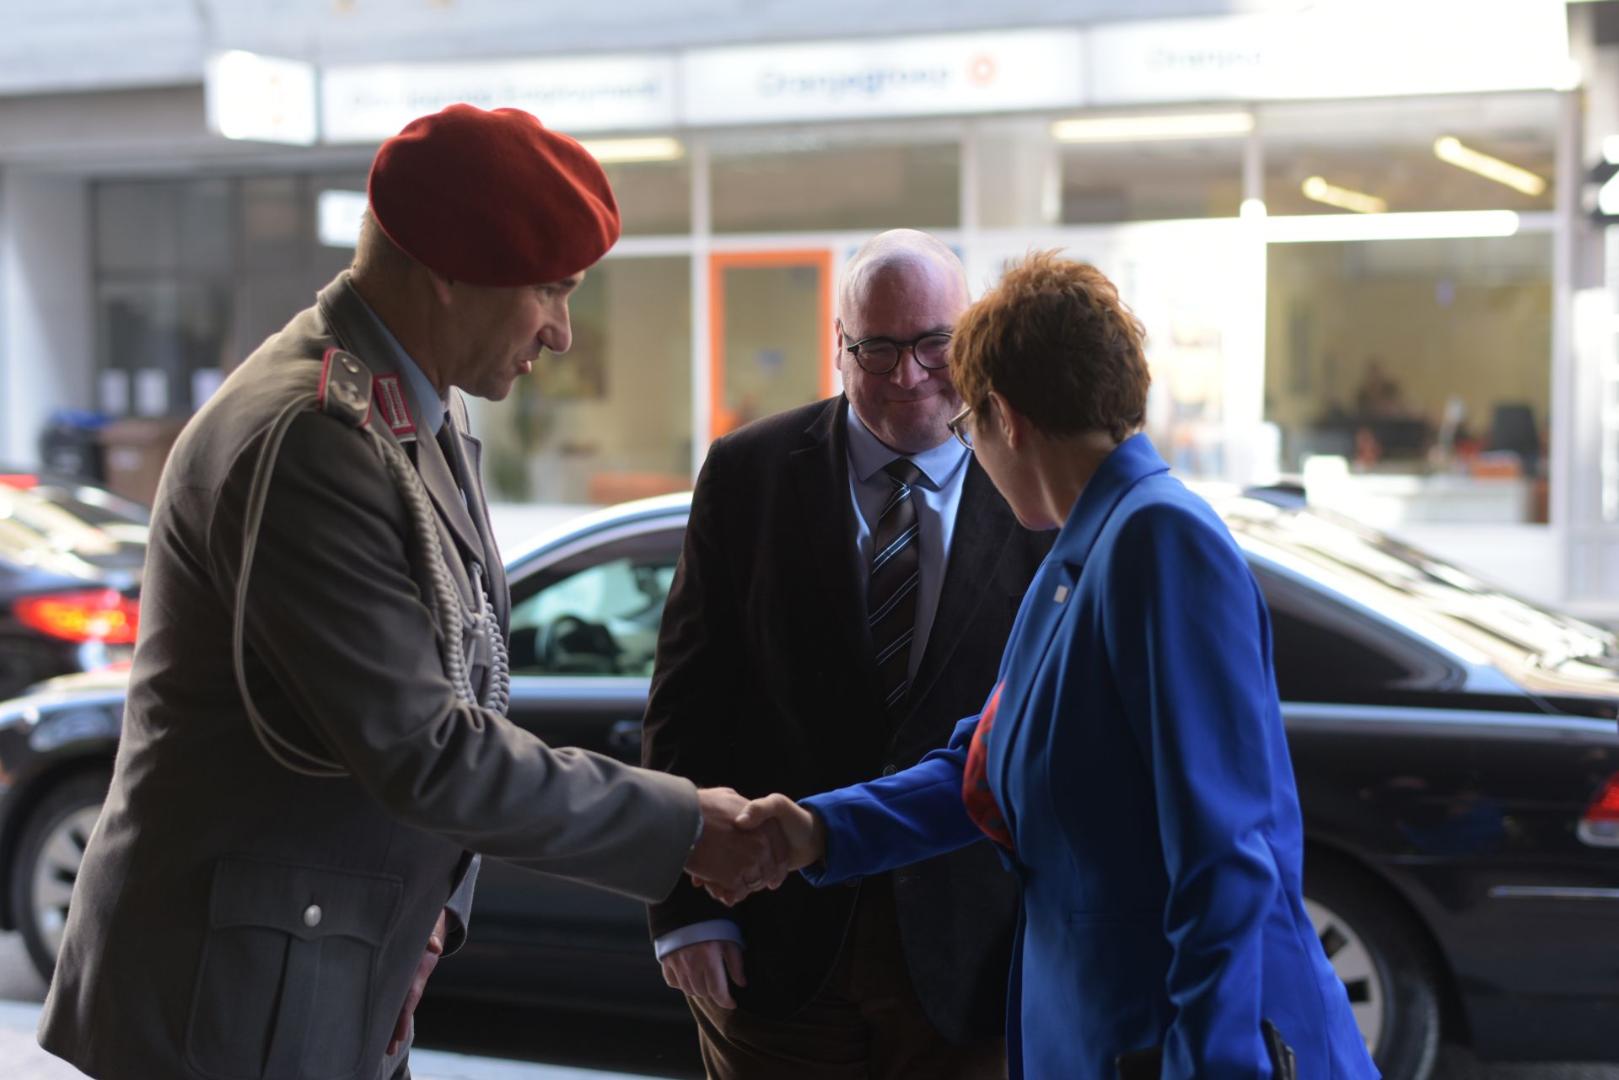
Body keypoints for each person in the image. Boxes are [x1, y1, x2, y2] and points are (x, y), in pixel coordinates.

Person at [38, 104, 778, 1080]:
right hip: (228, 995)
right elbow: (425, 751)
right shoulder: (312, 437)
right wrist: (683, 828)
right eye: (548, 290)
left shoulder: (414, 411)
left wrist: (428, 913)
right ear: (447, 269)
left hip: (319, 960)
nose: (561, 333)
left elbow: (470, 685)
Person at [731, 252, 1380, 1080]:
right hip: (1104, 1034)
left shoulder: (1158, 540)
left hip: (1174, 1044)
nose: (971, 451)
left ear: (1005, 416)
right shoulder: (1081, 553)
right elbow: (985, 768)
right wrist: (816, 831)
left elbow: (1227, 850)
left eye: (966, 426)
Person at [642, 229, 1051, 1078]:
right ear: (839, 346)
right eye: (878, 349)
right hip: (772, 943)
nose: (907, 375)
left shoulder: (1039, 481)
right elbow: (688, 695)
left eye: (934, 344)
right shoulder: (749, 471)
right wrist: (684, 908)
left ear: (972, 338)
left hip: (978, 957)